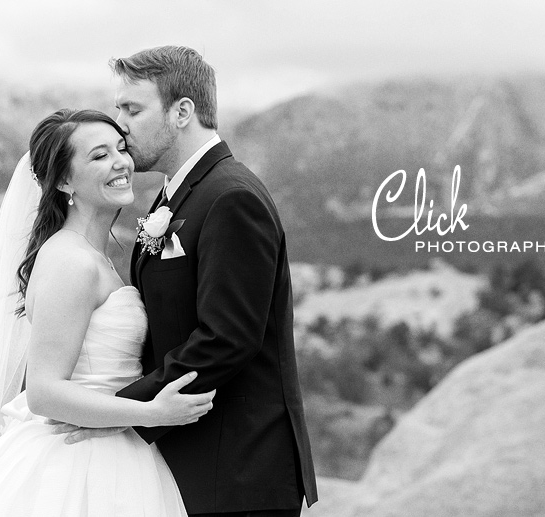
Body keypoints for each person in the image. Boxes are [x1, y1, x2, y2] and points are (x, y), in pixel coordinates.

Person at [56, 46, 319, 516]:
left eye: (132, 109)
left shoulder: (231, 197)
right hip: (190, 465)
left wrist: (120, 412)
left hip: (235, 473)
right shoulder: (176, 195)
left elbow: (227, 338)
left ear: (182, 112)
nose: (120, 124)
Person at [0, 109, 215, 516]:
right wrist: (151, 412)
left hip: (114, 448)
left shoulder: (92, 256)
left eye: (121, 149)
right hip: (78, 462)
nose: (120, 162)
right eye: (98, 156)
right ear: (63, 181)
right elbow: (44, 390)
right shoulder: (71, 262)